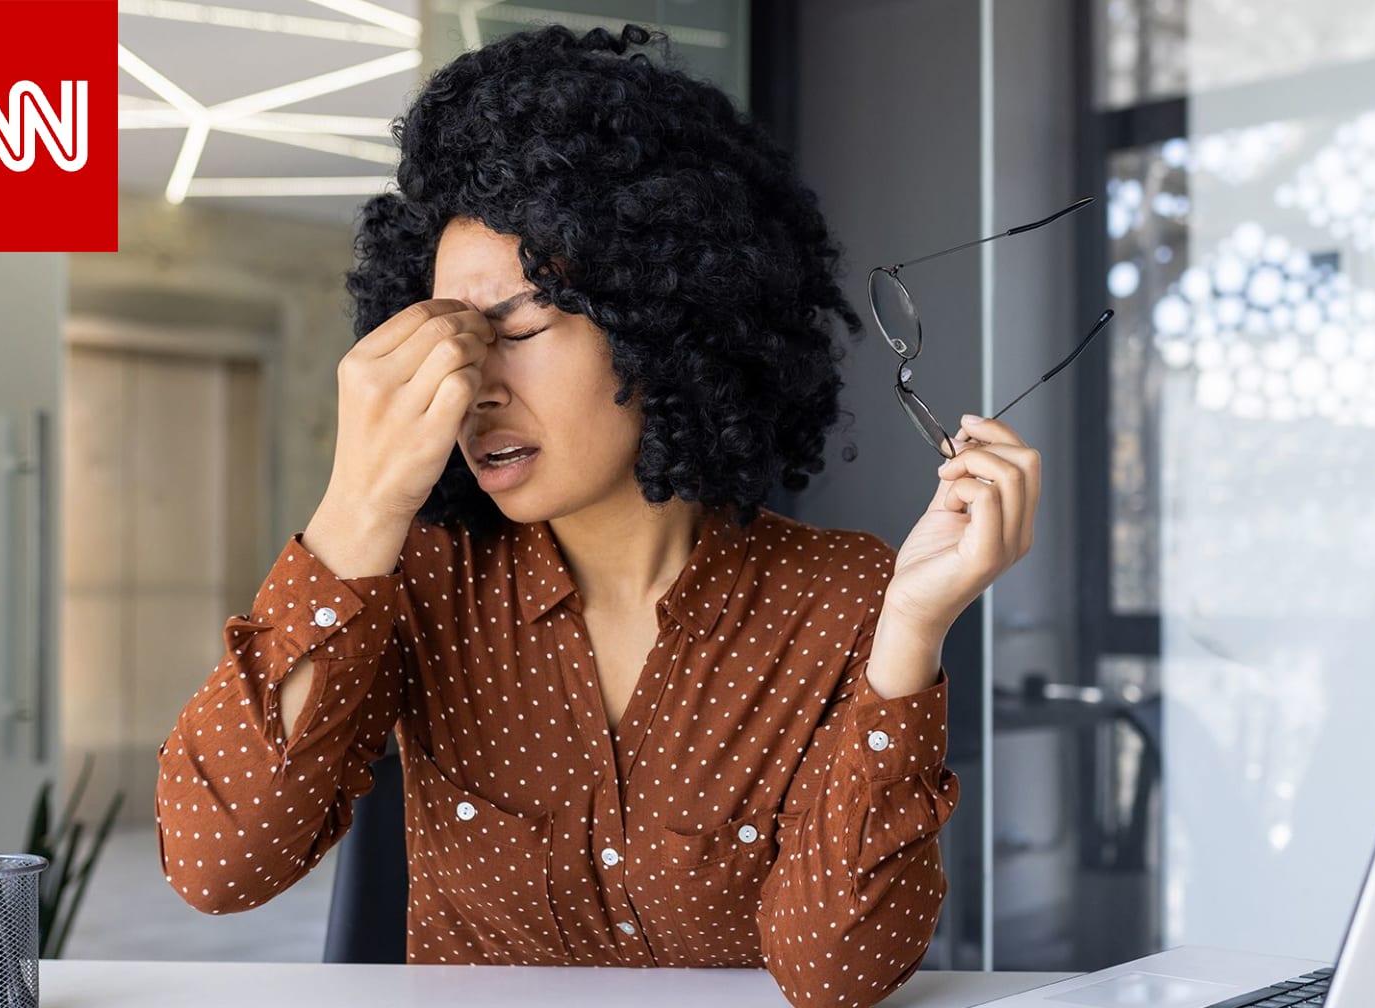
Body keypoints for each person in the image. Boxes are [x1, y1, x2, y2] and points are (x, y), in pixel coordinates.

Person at [154, 24, 1041, 1008]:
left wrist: (910, 635)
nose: (474, 387)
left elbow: (834, 973)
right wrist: (360, 498)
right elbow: (215, 864)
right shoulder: (422, 578)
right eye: (447, 342)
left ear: (665, 320)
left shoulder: (840, 598)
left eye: (521, 329)